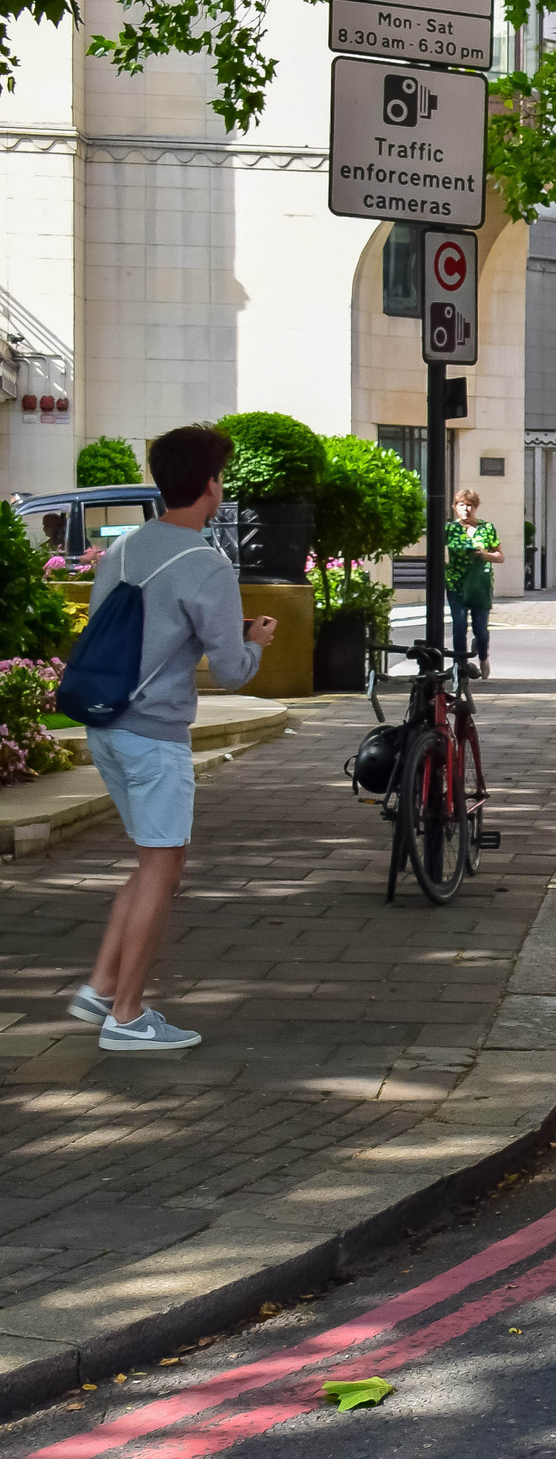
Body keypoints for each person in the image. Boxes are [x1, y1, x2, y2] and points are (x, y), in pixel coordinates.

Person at [66, 424, 276, 1053]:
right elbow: (233, 672)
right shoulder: (207, 563)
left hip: (105, 723)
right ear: (210, 486)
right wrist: (256, 641)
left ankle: (101, 986)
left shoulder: (125, 548)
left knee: (155, 862)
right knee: (163, 868)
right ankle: (126, 1018)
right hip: (154, 736)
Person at [445, 487, 503, 678]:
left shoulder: (487, 528)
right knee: (459, 625)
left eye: (470, 505)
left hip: (479, 584)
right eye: (462, 505)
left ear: (476, 507)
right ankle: (460, 664)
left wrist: (484, 554)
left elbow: (500, 556)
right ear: (455, 508)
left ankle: (483, 656)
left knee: (480, 629)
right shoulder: (450, 529)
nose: (466, 509)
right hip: (456, 584)